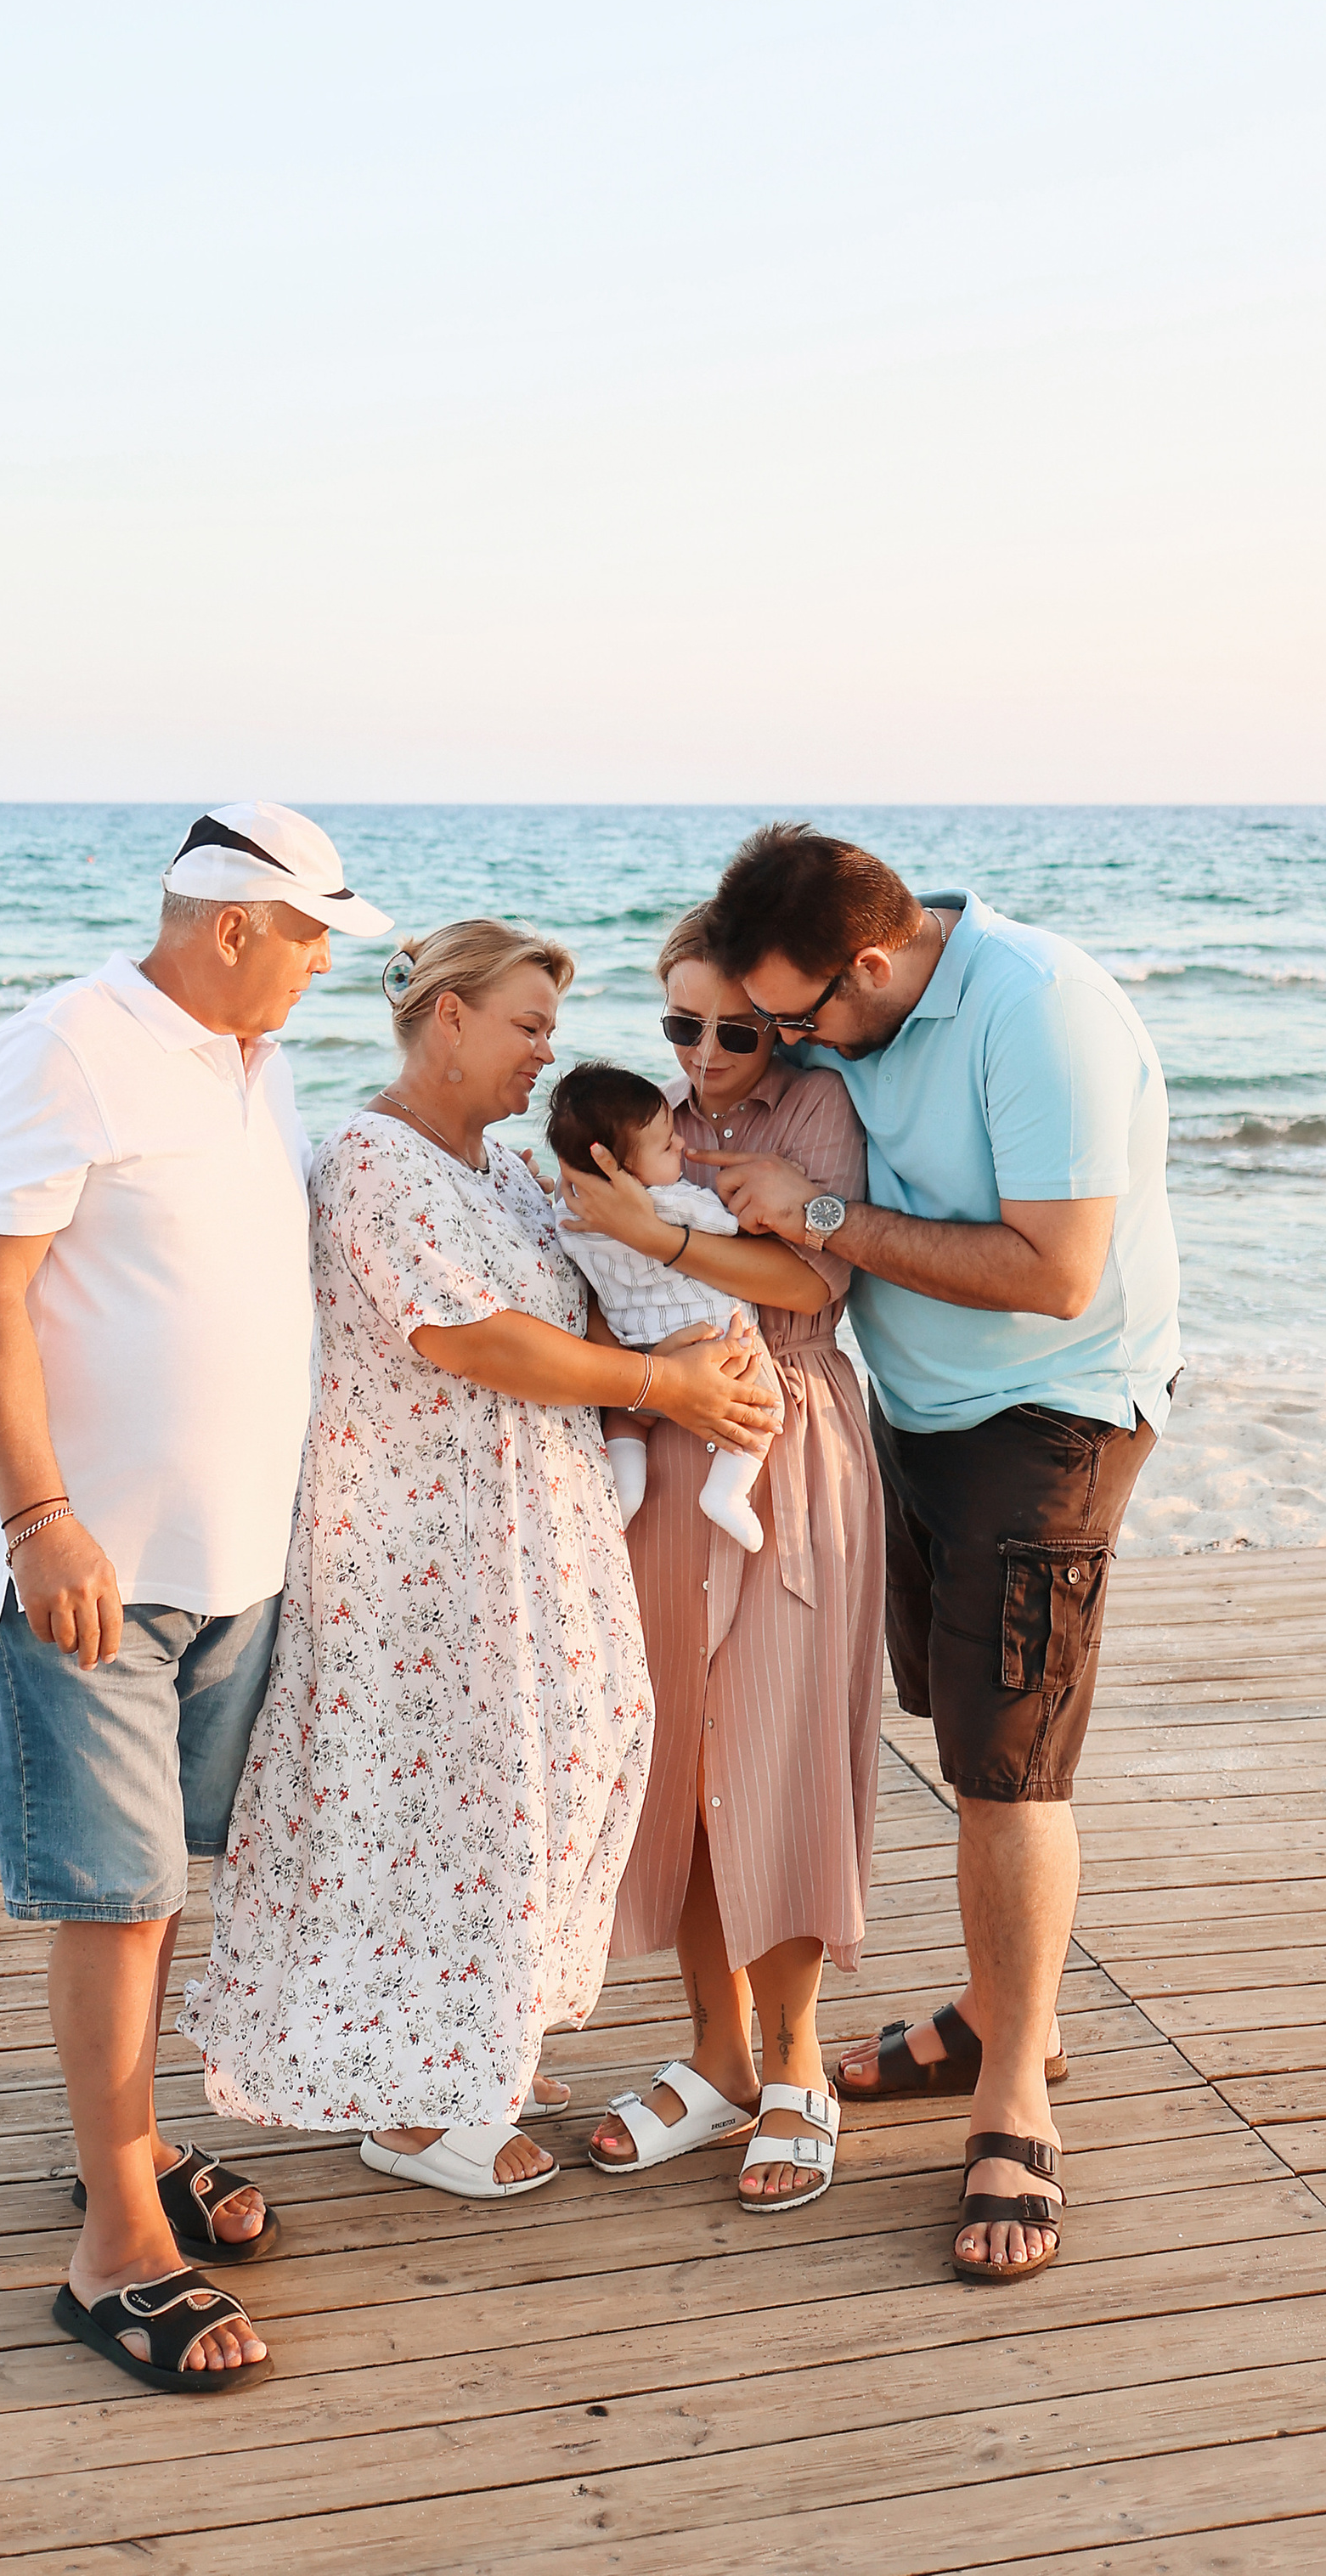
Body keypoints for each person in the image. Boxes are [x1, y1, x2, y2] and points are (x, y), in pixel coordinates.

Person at [179, 920, 777, 2205]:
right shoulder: (368, 1160)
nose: (545, 1055)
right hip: (419, 1548)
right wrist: (663, 1385)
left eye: (551, 1031)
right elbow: (472, 1337)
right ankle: (411, 2107)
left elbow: (582, 1298)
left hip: (535, 1529)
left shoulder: (505, 1172)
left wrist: (703, 1332)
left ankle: (467, 2035)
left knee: (550, 1770)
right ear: (445, 1020)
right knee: (440, 1803)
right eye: (526, 1026)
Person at [0, 799, 391, 2396]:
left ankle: (121, 2149)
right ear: (233, 924)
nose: (329, 963)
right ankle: (118, 2243)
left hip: (233, 1563)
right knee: (114, 1897)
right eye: (317, 935)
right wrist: (39, 1518)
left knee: (159, 1891)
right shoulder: (65, 1046)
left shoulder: (255, 1065)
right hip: (94, 1570)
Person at [692, 825, 1181, 2286]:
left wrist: (824, 1213)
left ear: (878, 961)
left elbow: (1054, 1274)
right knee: (953, 1726)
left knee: (1008, 1767)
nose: (790, 1047)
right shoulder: (843, 996)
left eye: (803, 1019)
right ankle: (989, 2006)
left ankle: (1015, 2095)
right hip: (914, 1413)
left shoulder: (1042, 1012)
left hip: (1053, 1415)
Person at [559, 905, 883, 2214]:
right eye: (679, 1025)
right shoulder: (638, 1120)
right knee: (682, 1755)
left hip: (784, 1435)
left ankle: (798, 2061)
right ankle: (716, 2049)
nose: (703, 1054)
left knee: (780, 1745)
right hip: (659, 1442)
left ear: (782, 1020)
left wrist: (654, 1238)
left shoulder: (816, 1114)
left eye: (731, 1029)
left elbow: (818, 1285)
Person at [546, 1061, 783, 1552]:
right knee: (763, 1401)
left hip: (635, 1348)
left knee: (630, 1418)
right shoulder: (672, 1204)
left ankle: (625, 1492)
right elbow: (730, 1229)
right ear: (625, 1169)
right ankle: (726, 1492)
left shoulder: (569, 1211)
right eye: (666, 1142)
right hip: (710, 1335)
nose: (680, 1145)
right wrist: (735, 1200)